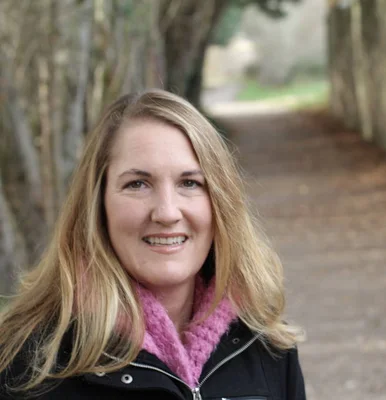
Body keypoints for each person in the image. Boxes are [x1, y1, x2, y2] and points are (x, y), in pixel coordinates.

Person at [0, 89, 306, 399]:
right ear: (97, 204)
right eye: (137, 184)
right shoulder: (27, 366)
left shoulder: (267, 346)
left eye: (190, 183)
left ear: (220, 203)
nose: (167, 213)